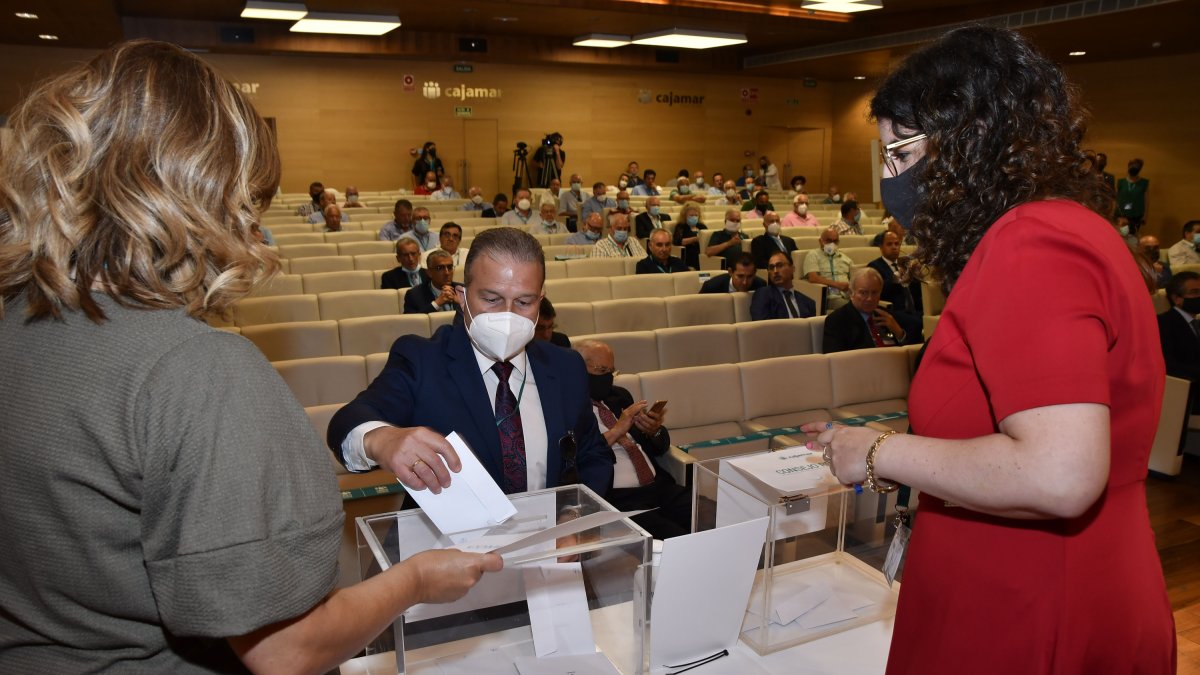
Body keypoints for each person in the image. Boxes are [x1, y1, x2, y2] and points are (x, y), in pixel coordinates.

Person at [0, 39, 501, 674]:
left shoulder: (21, 322)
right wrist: (419, 580)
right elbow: (285, 650)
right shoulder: (198, 371)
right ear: (208, 192)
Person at [803, 26, 1174, 674]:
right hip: (1071, 587)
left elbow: (1060, 471)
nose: (892, 182)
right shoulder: (1077, 227)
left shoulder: (1028, 242)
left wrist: (878, 450)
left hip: (1026, 613)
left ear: (968, 138)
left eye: (901, 154)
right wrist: (905, 459)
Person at [328, 227, 615, 496]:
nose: (508, 314)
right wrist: (382, 439)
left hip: (548, 539)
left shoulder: (566, 366)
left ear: (541, 300)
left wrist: (574, 517)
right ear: (462, 297)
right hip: (449, 544)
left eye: (524, 302)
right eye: (492, 299)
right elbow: (348, 421)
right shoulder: (421, 360)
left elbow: (593, 455)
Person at [575, 340, 691, 539]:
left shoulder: (619, 397)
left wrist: (653, 430)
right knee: (676, 538)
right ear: (577, 369)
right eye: (602, 370)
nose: (608, 378)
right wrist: (617, 430)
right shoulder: (570, 409)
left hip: (659, 486)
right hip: (620, 498)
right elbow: (580, 455)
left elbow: (660, 448)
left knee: (712, 516)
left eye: (612, 371)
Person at [822, 268, 920, 353]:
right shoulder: (837, 320)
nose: (869, 298)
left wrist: (899, 333)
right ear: (852, 293)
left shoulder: (886, 315)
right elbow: (835, 361)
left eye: (874, 292)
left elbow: (911, 350)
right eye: (863, 293)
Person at [1158, 271, 1200, 413]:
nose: (1198, 296)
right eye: (1194, 292)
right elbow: (1168, 365)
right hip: (1188, 393)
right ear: (1176, 298)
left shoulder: (1197, 323)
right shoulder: (1163, 323)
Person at [868, 230, 923, 315]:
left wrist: (916, 276)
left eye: (897, 244)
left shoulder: (905, 263)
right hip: (894, 311)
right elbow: (878, 292)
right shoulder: (874, 266)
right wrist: (895, 278)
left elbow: (917, 292)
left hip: (916, 309)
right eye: (889, 244)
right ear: (881, 247)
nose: (894, 247)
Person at [750, 251, 816, 320]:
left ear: (792, 269)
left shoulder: (808, 302)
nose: (775, 271)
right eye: (771, 267)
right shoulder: (763, 295)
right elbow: (761, 326)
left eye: (780, 265)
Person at [802, 228, 853, 312]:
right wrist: (837, 285)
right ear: (820, 241)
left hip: (848, 295)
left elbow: (855, 278)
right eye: (828, 240)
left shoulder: (845, 258)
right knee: (854, 308)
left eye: (835, 241)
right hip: (830, 297)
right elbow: (813, 278)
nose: (832, 244)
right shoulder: (813, 255)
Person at [403, 250, 461, 315]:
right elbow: (411, 322)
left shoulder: (463, 291)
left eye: (450, 267)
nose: (447, 273)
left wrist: (463, 305)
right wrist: (436, 304)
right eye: (440, 268)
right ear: (429, 273)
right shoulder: (414, 295)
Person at [700, 254, 767, 294]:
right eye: (740, 276)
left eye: (750, 277)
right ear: (730, 272)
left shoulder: (761, 286)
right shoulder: (711, 287)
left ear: (755, 273)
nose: (745, 282)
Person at [1116, 158, 1149, 233]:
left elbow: (1146, 199)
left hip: (1136, 215)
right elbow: (1116, 197)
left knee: (1132, 235)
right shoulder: (1121, 182)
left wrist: (1145, 215)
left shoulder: (1144, 183)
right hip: (1121, 214)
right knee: (1122, 234)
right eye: (1132, 166)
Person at [672, 203, 707, 270]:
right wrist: (695, 239)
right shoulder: (681, 226)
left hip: (702, 253)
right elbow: (677, 241)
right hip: (688, 254)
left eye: (696, 215)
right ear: (685, 216)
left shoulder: (702, 226)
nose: (694, 217)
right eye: (691, 215)